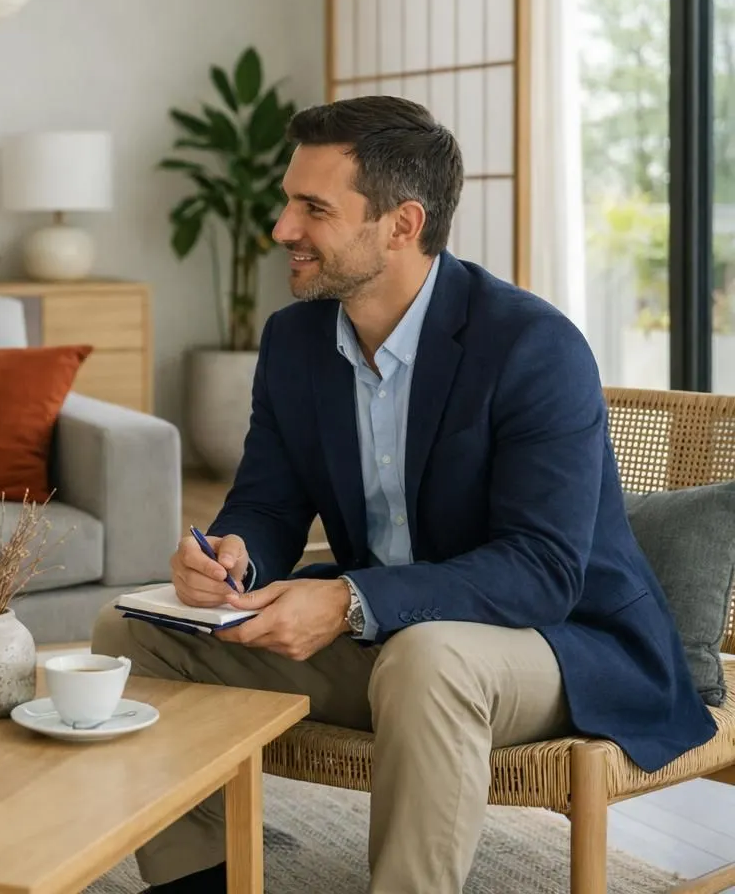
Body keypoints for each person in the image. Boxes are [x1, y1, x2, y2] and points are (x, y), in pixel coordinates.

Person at [91, 95, 716, 893]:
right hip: (392, 639)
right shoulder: (296, 339)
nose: (282, 228)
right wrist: (233, 555)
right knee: (133, 631)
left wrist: (350, 600)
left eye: (312, 208)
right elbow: (270, 502)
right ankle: (198, 882)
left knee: (427, 658)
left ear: (401, 224)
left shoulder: (533, 346)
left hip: (562, 645)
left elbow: (543, 570)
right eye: (289, 201)